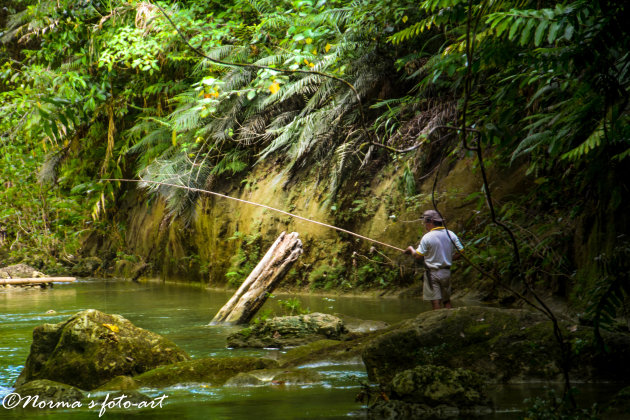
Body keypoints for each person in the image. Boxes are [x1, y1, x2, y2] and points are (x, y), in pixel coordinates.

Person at [403, 210, 464, 310]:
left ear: (430, 222)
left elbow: (417, 256)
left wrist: (410, 249)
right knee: (447, 301)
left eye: (425, 222)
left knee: (436, 302)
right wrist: (449, 258)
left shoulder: (427, 237)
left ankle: (438, 322)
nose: (424, 225)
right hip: (446, 272)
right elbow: (461, 251)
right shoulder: (451, 234)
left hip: (432, 274)